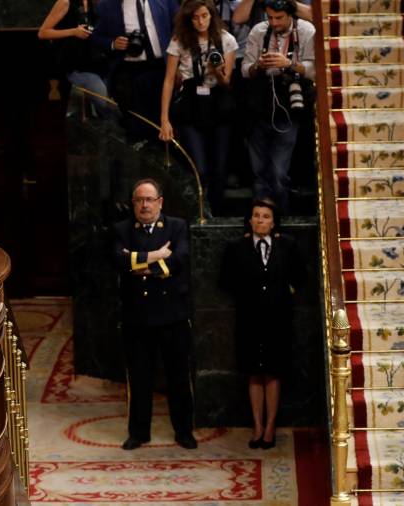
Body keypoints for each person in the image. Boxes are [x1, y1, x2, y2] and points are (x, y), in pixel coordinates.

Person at [111, 178, 196, 450]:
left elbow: (180, 258)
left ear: (160, 202)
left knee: (179, 377)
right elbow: (118, 260)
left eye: (149, 200)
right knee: (140, 377)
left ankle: (184, 431)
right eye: (139, 200)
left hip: (172, 316)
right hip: (137, 318)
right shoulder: (121, 229)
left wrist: (146, 266)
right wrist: (158, 254)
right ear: (133, 204)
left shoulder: (177, 226)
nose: (144, 205)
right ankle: (139, 432)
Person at [220, 198, 305, 449]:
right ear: (249, 220)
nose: (260, 220)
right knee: (253, 372)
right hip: (248, 318)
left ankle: (270, 427)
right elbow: (225, 280)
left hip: (278, 319)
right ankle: (257, 426)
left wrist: (285, 292)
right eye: (256, 215)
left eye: (265, 216)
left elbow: (300, 276)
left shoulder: (287, 245)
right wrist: (247, 294)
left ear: (274, 221)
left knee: (273, 371)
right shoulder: (236, 247)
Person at [158, 0, 237, 216]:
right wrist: (164, 119)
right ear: (188, 19)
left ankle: (216, 217)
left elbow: (228, 82)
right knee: (199, 169)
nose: (200, 21)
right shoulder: (179, 41)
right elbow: (167, 81)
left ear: (211, 16)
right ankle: (201, 213)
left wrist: (216, 70)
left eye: (204, 16)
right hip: (190, 107)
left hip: (219, 106)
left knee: (220, 170)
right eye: (195, 17)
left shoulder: (226, 39)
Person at [241, 0, 315, 213]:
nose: (273, 22)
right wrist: (258, 65)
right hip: (259, 106)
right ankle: (260, 221)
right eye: (270, 17)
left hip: (289, 107)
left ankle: (280, 219)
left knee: (278, 172)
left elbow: (314, 71)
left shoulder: (305, 30)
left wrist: (288, 64)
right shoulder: (258, 31)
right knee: (258, 173)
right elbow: (245, 70)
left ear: (290, 14)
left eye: (279, 18)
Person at [91, 0, 178, 130]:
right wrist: (113, 43)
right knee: (136, 120)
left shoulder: (165, 1)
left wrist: (179, 65)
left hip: (162, 67)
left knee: (164, 117)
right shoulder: (107, 5)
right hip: (130, 71)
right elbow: (96, 37)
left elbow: (179, 27)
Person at [39, 0, 113, 118]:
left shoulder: (93, 4)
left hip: (98, 63)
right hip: (77, 66)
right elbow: (43, 33)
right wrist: (73, 32)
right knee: (107, 106)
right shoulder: (65, 2)